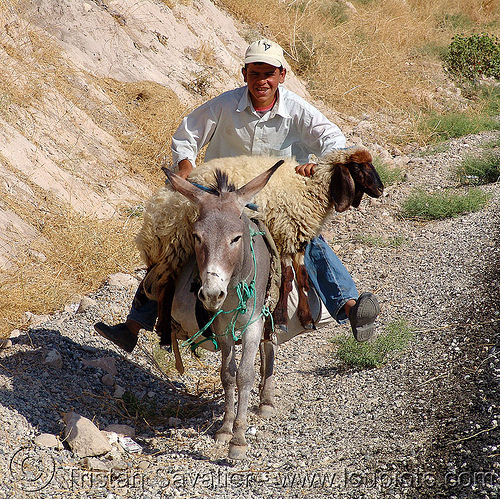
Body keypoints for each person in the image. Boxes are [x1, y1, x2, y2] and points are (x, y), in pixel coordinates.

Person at [94, 39, 380, 353]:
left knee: (305, 240)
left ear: (281, 75)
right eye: (255, 73)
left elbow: (332, 138)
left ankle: (350, 306)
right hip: (223, 200)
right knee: (174, 245)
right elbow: (188, 132)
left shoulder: (297, 110)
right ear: (244, 74)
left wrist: (318, 163)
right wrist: (187, 165)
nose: (262, 80)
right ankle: (133, 326)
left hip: (274, 201)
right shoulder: (224, 105)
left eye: (269, 73)